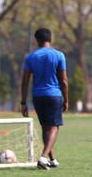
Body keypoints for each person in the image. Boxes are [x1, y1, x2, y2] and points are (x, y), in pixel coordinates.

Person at [21, 28, 68, 170]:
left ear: (37, 40)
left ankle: (52, 159)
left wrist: (23, 102)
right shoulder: (59, 55)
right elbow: (64, 81)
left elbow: (25, 81)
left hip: (38, 96)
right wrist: (66, 99)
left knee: (45, 127)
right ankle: (43, 157)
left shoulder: (30, 57)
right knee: (54, 127)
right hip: (54, 95)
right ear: (50, 39)